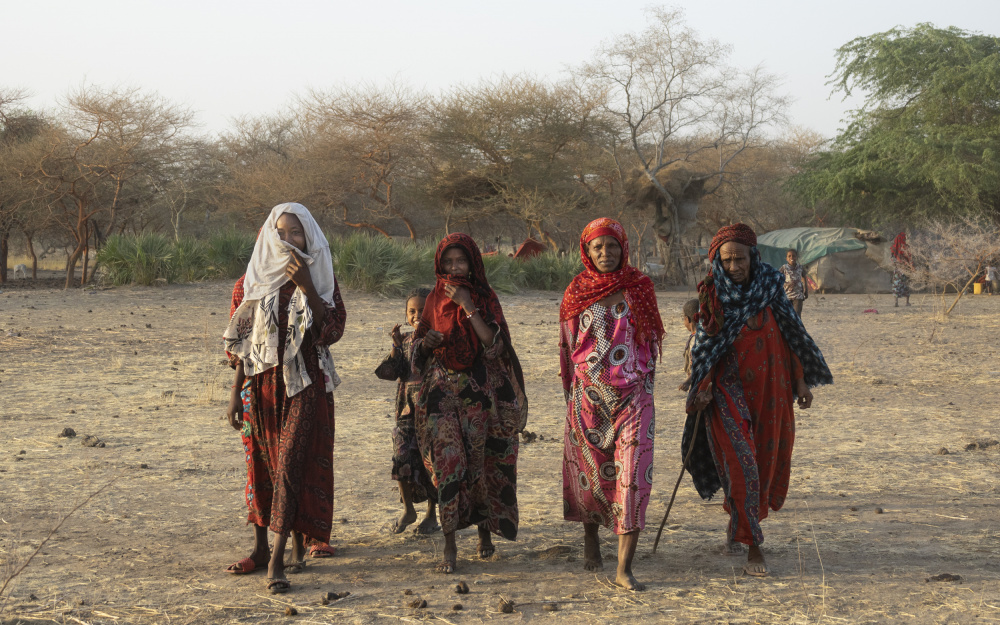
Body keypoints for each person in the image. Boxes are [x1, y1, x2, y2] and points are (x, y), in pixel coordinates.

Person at [683, 223, 832, 577]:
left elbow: (791, 337)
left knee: (762, 466)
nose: (735, 266)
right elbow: (705, 351)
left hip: (771, 393)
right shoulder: (712, 296)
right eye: (728, 259)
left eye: (741, 258)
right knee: (742, 464)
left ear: (754, 256)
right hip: (727, 393)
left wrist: (801, 384)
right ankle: (754, 547)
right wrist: (701, 387)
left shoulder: (771, 290)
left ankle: (739, 522)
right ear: (718, 261)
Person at [223, 203, 347, 594]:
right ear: (269, 234)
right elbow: (241, 345)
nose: (289, 239)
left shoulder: (320, 277)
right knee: (262, 467)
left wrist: (309, 286)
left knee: (292, 463)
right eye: (282, 231)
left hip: (304, 384)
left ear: (309, 235)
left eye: (297, 232)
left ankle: (278, 560)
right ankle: (261, 549)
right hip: (258, 387)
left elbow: (332, 330)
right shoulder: (251, 280)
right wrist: (234, 395)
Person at [411, 234, 527, 574]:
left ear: (473, 262)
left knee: (479, 462)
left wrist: (467, 304)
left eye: (460, 261)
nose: (453, 267)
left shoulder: (485, 297)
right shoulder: (432, 298)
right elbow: (418, 345)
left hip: (480, 395)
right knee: (449, 463)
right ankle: (449, 545)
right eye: (447, 261)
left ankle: (484, 533)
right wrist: (427, 341)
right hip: (442, 391)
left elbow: (494, 344)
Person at [559, 218, 665, 591]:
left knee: (633, 478)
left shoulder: (640, 286)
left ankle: (624, 568)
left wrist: (645, 385)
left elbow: (652, 340)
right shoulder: (576, 292)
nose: (606, 253)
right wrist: (573, 392)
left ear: (624, 247)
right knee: (591, 472)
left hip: (634, 397)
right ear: (586, 251)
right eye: (597, 247)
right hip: (587, 396)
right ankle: (591, 537)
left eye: (612, 246)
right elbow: (567, 347)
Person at [375, 287, 439, 535]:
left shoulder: (436, 339)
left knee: (432, 462)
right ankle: (408, 509)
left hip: (432, 411)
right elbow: (390, 373)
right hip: (405, 411)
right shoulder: (405, 341)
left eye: (423, 311)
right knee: (401, 455)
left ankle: (432, 515)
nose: (416, 315)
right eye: (412, 311)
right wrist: (395, 345)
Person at [779, 249, 808, 316]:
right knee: (788, 316)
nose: (791, 258)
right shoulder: (784, 268)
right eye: (789, 256)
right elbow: (778, 277)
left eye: (793, 256)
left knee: (797, 315)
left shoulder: (800, 267)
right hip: (786, 296)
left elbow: (804, 277)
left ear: (796, 257)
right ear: (786, 258)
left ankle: (797, 326)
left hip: (798, 296)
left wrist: (806, 289)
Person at [679, 298, 699, 392]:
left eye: (684, 318)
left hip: (699, 384)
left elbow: (699, 364)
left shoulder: (696, 339)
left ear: (687, 319)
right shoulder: (699, 336)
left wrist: (688, 381)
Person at [890, 232, 911, 307]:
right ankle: (907, 302)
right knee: (906, 285)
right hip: (905, 270)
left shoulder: (894, 248)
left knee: (896, 285)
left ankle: (896, 302)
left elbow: (892, 259)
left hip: (897, 271)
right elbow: (909, 258)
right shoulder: (906, 247)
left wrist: (897, 264)